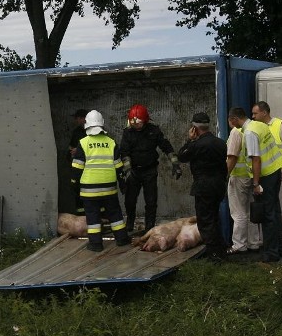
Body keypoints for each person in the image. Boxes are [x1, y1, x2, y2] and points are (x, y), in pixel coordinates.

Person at [71, 110, 131, 252]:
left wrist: (74, 183)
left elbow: (77, 167)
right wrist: (122, 183)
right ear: (102, 124)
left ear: (87, 125)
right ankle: (122, 239)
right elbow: (118, 166)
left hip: (89, 190)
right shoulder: (111, 143)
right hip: (109, 188)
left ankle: (96, 244)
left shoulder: (83, 143)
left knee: (93, 217)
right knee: (115, 214)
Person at [118, 104, 181, 232]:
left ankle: (150, 227)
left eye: (138, 123)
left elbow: (166, 147)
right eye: (133, 122)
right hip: (134, 171)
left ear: (146, 120)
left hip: (150, 171)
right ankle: (130, 222)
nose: (136, 125)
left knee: (151, 201)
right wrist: (128, 171)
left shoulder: (154, 131)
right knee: (130, 200)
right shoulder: (127, 133)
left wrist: (175, 163)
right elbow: (124, 153)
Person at [177, 112, 228, 262]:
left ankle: (213, 255)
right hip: (218, 186)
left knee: (205, 221)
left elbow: (181, 156)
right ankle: (220, 250)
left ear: (194, 128)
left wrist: (190, 140)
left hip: (204, 187)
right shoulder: (220, 143)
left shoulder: (197, 145)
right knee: (214, 219)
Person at [252, 101, 282, 251]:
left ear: (264, 112)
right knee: (270, 208)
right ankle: (273, 240)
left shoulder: (279, 124)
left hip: (279, 171)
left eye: (255, 113)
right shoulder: (257, 127)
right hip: (266, 174)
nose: (253, 116)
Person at [241, 107, 282, 263]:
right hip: (275, 170)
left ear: (233, 120)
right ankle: (279, 248)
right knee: (275, 211)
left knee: (267, 215)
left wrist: (256, 183)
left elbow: (256, 159)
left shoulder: (250, 132)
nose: (254, 116)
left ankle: (271, 253)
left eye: (255, 113)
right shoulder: (260, 125)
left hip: (265, 176)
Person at [225, 108, 262, 254]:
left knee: (238, 212)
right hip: (251, 176)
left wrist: (225, 175)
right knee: (250, 211)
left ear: (233, 119)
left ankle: (239, 245)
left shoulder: (236, 132)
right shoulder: (251, 128)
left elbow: (232, 156)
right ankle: (254, 242)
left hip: (238, 177)